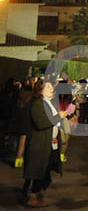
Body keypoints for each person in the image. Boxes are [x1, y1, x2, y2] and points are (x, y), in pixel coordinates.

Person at [20, 79, 62, 207]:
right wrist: (60, 116)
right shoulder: (38, 104)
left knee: (44, 171)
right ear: (41, 90)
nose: (52, 89)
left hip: (50, 143)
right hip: (40, 143)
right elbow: (41, 122)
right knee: (39, 171)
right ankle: (33, 197)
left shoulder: (49, 102)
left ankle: (33, 195)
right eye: (48, 87)